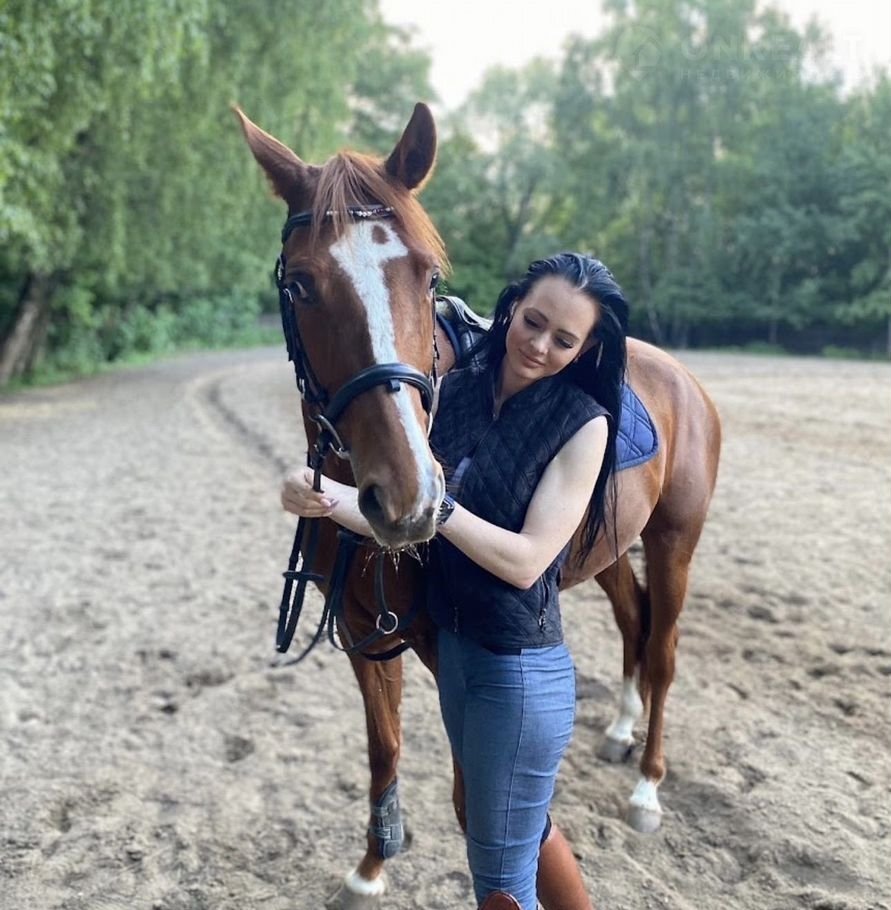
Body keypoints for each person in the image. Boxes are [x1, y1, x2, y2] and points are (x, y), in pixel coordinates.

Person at [281, 252, 629, 910]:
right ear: (511, 308)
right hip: (460, 660)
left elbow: (526, 561)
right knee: (521, 827)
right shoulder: (456, 390)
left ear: (584, 350)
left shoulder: (584, 424)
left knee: (499, 880)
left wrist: (437, 507)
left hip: (517, 672)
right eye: (533, 322)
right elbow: (399, 513)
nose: (538, 346)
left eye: (563, 340)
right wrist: (316, 492)